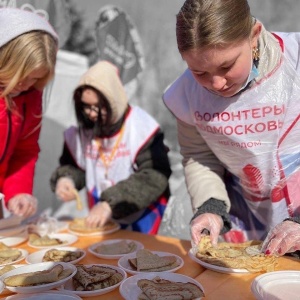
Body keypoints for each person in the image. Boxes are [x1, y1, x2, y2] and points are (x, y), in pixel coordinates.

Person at [163, 0, 300, 257]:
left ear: (254, 35)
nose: (216, 83)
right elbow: (199, 157)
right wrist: (211, 207)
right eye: (199, 71)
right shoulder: (186, 95)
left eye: (227, 66)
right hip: (248, 222)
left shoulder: (296, 60)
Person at [50, 60, 171, 234]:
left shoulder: (142, 128)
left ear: (113, 101)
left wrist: (110, 203)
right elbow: (75, 166)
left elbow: (154, 176)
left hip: (143, 216)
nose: (91, 113)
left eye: (97, 107)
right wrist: (67, 179)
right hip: (101, 219)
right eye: (85, 106)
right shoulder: (80, 133)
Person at [0, 8, 58, 218]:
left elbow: (24, 151)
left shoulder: (30, 98)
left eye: (35, 78)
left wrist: (18, 192)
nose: (25, 85)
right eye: (21, 75)